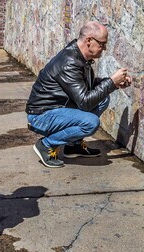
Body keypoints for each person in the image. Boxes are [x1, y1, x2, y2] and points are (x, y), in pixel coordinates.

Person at [26, 21, 132, 168]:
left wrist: (114, 84)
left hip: (57, 108)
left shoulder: (80, 57)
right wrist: (112, 83)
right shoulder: (70, 62)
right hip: (41, 115)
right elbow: (85, 101)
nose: (105, 48)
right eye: (102, 44)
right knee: (91, 123)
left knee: (102, 100)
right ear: (89, 41)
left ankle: (73, 145)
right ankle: (46, 145)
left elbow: (85, 86)